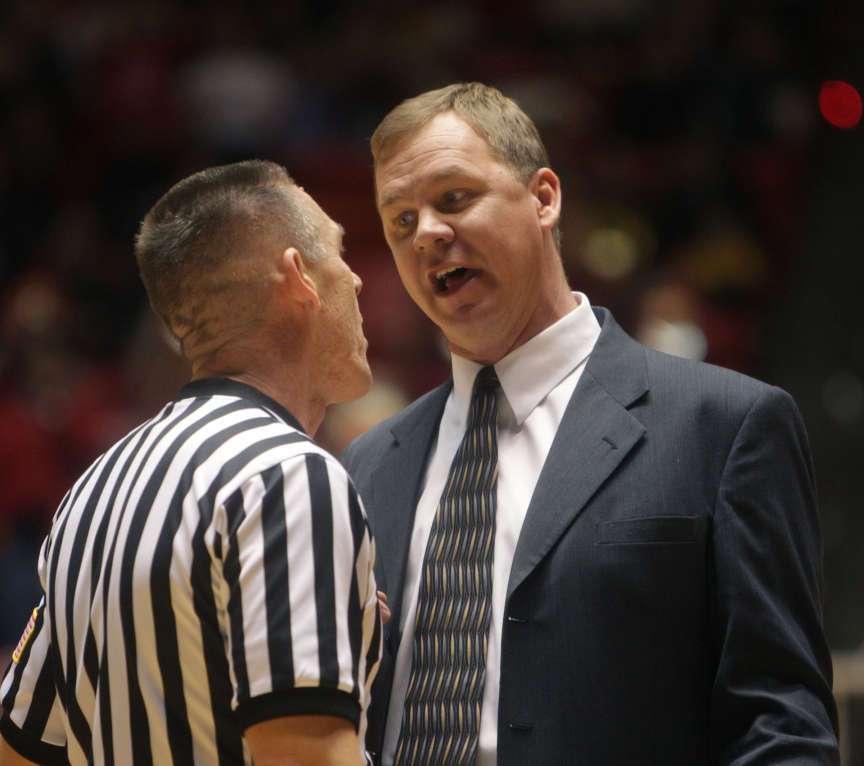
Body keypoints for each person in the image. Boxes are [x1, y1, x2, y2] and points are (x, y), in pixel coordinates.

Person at [342, 83, 839, 765]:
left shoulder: (724, 426)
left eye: (454, 199)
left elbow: (779, 725)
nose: (426, 232)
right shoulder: (365, 466)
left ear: (544, 197)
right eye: (401, 220)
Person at [0, 160, 382, 766]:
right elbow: (302, 756)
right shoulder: (286, 475)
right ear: (299, 277)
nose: (357, 282)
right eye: (340, 253)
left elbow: (18, 746)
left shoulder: (92, 493)